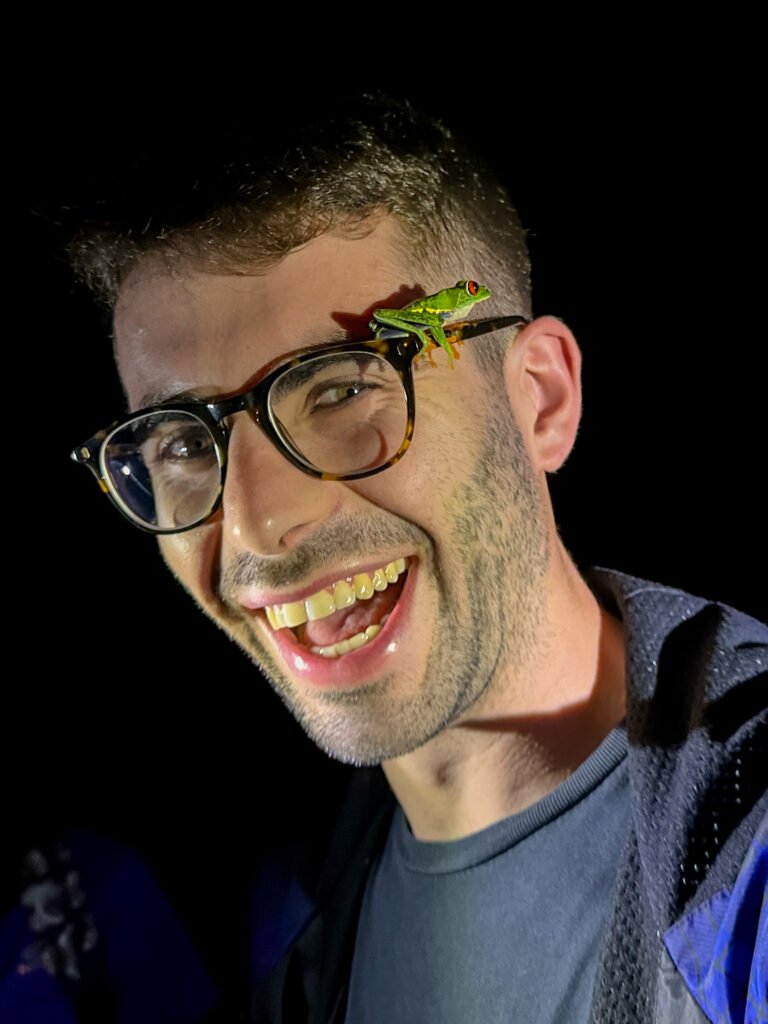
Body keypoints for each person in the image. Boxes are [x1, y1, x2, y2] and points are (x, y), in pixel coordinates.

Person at [63, 92, 766, 1023]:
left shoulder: (744, 846)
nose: (256, 528)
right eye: (186, 445)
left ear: (541, 400)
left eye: (343, 386)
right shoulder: (292, 920)